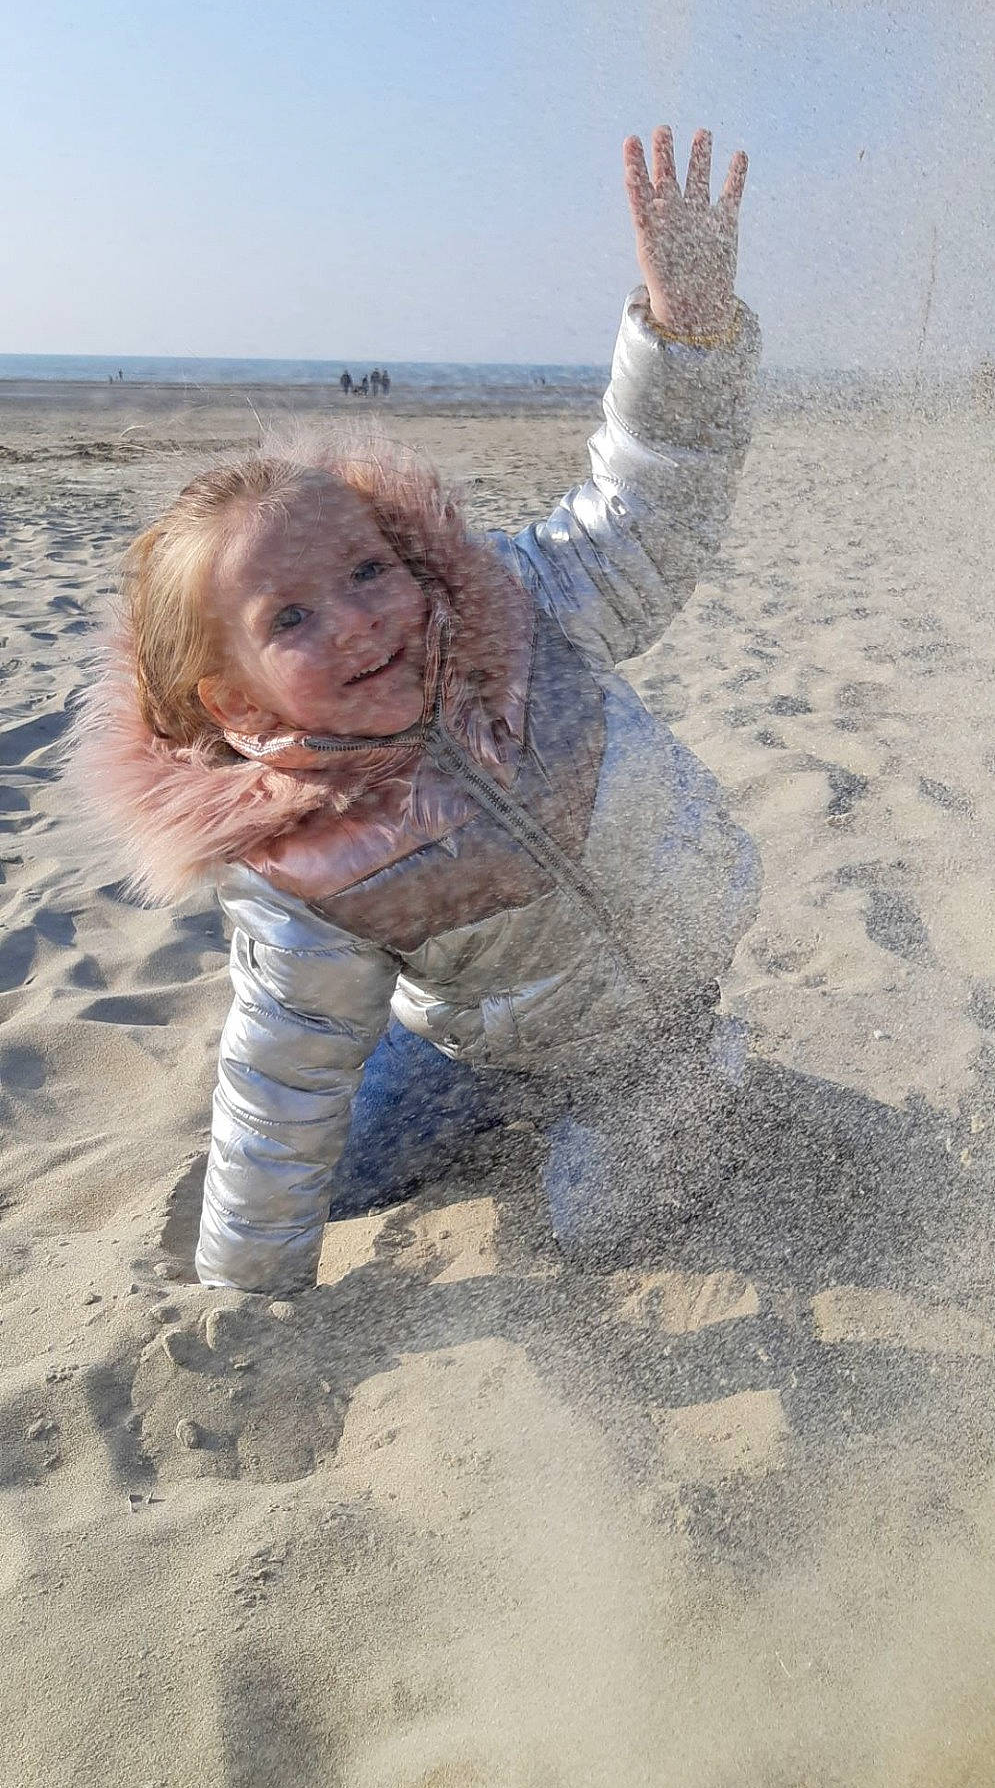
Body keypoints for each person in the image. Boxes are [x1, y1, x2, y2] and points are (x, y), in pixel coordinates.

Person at [72, 122, 761, 1293]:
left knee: (599, 1221)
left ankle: (703, 1070)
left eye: (365, 572)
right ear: (229, 696)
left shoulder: (521, 611)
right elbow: (279, 1084)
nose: (355, 621)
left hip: (653, 1012)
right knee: (335, 1169)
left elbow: (649, 509)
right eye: (289, 619)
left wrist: (684, 335)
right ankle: (481, 1097)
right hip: (477, 1039)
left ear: (404, 557)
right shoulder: (302, 861)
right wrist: (250, 1291)